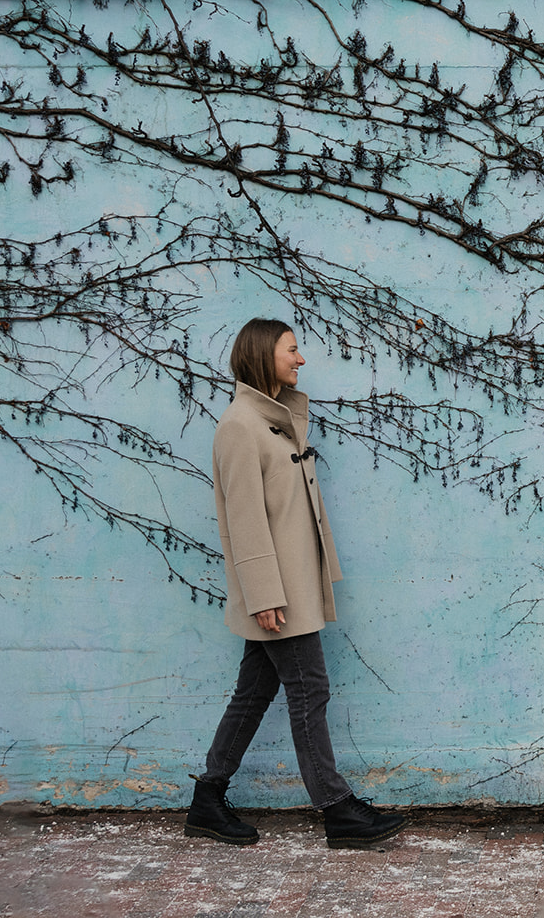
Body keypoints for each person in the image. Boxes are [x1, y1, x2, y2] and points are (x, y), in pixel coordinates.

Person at [184, 317, 407, 849]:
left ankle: (207, 799)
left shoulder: (272, 422)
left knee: (254, 691)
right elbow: (244, 519)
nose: (300, 359)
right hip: (278, 593)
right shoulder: (241, 425)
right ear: (265, 355)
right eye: (292, 349)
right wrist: (263, 594)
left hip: (291, 587)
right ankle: (337, 808)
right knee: (310, 689)